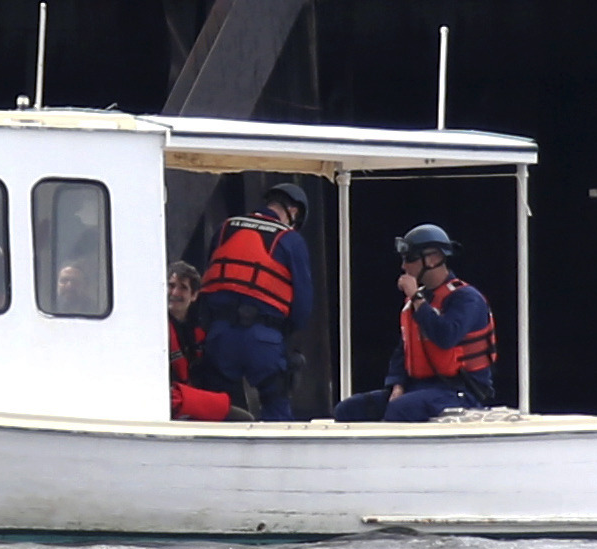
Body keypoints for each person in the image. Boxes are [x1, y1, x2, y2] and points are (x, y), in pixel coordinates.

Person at [334, 224, 498, 423]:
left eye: (410, 258)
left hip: (459, 390)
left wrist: (416, 297)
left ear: (434, 259)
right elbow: (403, 349)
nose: (404, 266)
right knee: (349, 410)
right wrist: (397, 385)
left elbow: (446, 336)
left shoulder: (466, 298)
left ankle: (393, 454)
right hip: (419, 386)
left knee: (402, 409)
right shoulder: (417, 302)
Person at [193, 181, 315, 421]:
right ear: (294, 212)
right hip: (264, 338)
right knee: (276, 403)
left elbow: (211, 275)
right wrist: (286, 335)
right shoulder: (290, 240)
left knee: (217, 408)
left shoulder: (225, 228)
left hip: (220, 335)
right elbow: (302, 304)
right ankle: (277, 456)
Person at [168, 261, 244, 422]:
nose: (175, 292)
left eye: (183, 287)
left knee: (244, 418)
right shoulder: (154, 327)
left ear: (194, 295)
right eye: (171, 285)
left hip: (193, 396)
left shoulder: (201, 330)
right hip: (169, 398)